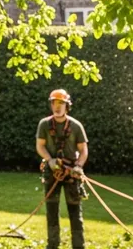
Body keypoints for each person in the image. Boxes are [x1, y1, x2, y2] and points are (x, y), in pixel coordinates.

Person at [35, 89, 89, 249]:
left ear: (67, 106)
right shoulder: (44, 125)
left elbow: (83, 149)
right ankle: (52, 245)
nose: (57, 107)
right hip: (52, 173)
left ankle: (79, 246)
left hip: (72, 173)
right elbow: (40, 146)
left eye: (61, 103)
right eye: (54, 103)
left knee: (75, 211)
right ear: (51, 105)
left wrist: (79, 166)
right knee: (51, 210)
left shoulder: (76, 126)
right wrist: (49, 160)